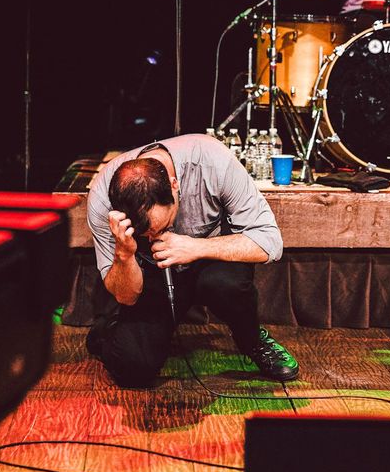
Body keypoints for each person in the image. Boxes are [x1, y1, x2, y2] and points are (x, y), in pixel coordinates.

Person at [85, 134, 299, 387]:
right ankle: (111, 329)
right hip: (151, 274)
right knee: (133, 368)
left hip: (209, 262)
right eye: (146, 233)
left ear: (174, 185)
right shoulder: (102, 198)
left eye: (162, 225)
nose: (154, 237)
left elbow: (270, 242)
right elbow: (127, 296)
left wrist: (195, 247)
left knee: (225, 283)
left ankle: (252, 340)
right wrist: (124, 252)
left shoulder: (212, 160)